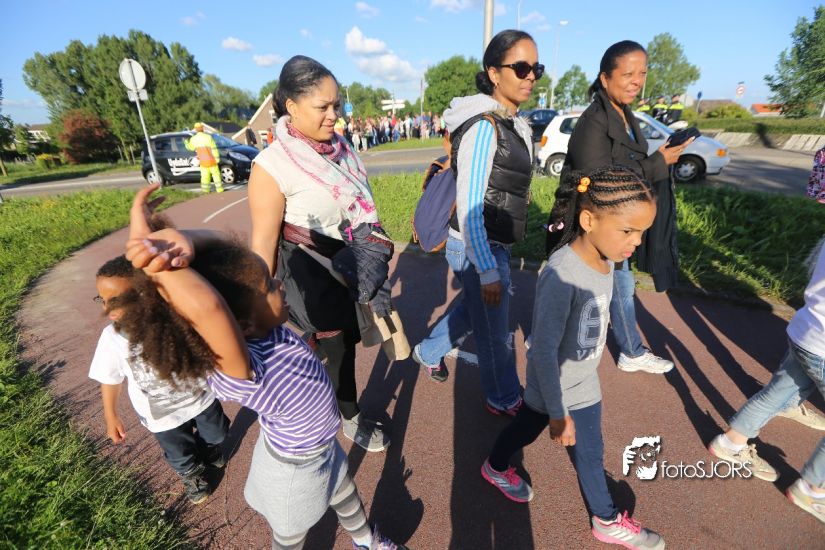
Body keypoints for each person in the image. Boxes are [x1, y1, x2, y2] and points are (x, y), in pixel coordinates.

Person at [124, 184, 406, 550]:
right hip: (296, 473)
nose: (279, 283)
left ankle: (365, 541)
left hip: (321, 448)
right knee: (290, 537)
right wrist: (156, 266)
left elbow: (232, 257)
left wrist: (186, 240)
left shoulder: (265, 329)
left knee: (344, 492)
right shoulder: (244, 368)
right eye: (269, 288)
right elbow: (208, 309)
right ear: (240, 325)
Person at [482, 166, 665, 549]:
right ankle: (495, 466)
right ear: (588, 221)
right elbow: (543, 351)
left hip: (585, 383)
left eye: (641, 233)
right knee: (524, 431)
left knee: (591, 451)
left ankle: (606, 519)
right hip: (552, 388)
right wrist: (557, 412)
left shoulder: (608, 260)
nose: (636, 242)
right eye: (628, 231)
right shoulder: (562, 275)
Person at [247, 55, 390, 452]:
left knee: (344, 339)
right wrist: (258, 301)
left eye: (336, 105)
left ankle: (316, 375)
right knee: (338, 345)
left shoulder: (340, 149)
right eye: (322, 106)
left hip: (350, 261)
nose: (334, 115)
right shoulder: (271, 165)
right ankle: (348, 416)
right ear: (292, 107)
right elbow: (263, 241)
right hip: (310, 270)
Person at [411, 29, 540, 415]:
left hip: (491, 240)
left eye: (536, 69)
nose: (531, 76)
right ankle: (503, 397)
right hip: (476, 244)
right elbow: (469, 205)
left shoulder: (513, 122)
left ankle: (428, 351)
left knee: (473, 310)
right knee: (494, 333)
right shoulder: (485, 127)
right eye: (521, 68)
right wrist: (486, 268)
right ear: (494, 73)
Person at [548, 40, 691, 375]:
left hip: (617, 219)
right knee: (602, 284)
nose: (636, 81)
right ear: (605, 78)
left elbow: (624, 162)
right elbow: (600, 178)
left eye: (642, 73)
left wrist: (659, 157)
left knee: (613, 285)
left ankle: (622, 348)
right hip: (593, 220)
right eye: (628, 74)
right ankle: (621, 349)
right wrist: (658, 162)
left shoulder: (624, 114)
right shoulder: (593, 122)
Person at [89, 254, 229, 504]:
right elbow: (110, 378)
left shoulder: (174, 315)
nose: (106, 308)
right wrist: (111, 415)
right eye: (103, 299)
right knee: (179, 453)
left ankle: (208, 449)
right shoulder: (112, 337)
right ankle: (191, 474)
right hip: (161, 415)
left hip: (201, 398)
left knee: (217, 433)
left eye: (116, 300)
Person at [708, 238, 825, 524]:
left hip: (806, 331)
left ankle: (730, 442)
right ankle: (812, 489)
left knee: (776, 393)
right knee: (776, 393)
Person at [184, 122, 224, 194]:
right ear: (202, 128)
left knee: (205, 177)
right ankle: (219, 189)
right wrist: (217, 159)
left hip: (203, 161)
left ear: (196, 129)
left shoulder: (193, 139)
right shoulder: (208, 137)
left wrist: (186, 142)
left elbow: (190, 148)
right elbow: (214, 149)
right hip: (212, 161)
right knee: (216, 175)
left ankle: (205, 190)